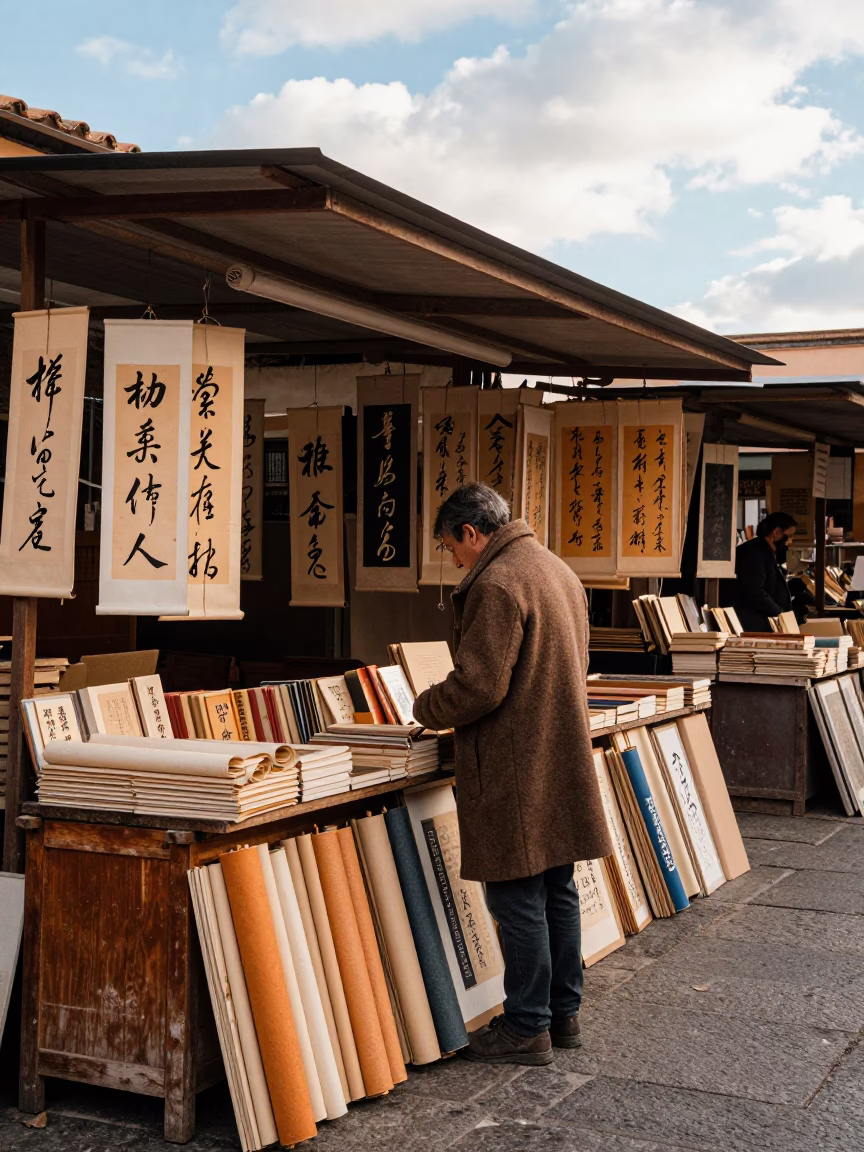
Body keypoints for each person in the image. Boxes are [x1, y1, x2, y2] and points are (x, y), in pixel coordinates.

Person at [411, 482, 613, 1066]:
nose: (456, 560)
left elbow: (479, 685)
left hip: (513, 765)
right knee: (556, 888)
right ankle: (562, 1014)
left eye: (453, 548)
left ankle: (527, 1026)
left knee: (517, 898)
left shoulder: (498, 583)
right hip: (558, 752)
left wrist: (425, 707)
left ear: (472, 533)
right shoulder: (554, 569)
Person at [731, 511, 798, 632]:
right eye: (789, 536)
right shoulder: (753, 553)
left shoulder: (765, 551)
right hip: (752, 622)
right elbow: (755, 591)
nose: (790, 542)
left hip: (759, 619)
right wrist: (779, 613)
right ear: (777, 532)